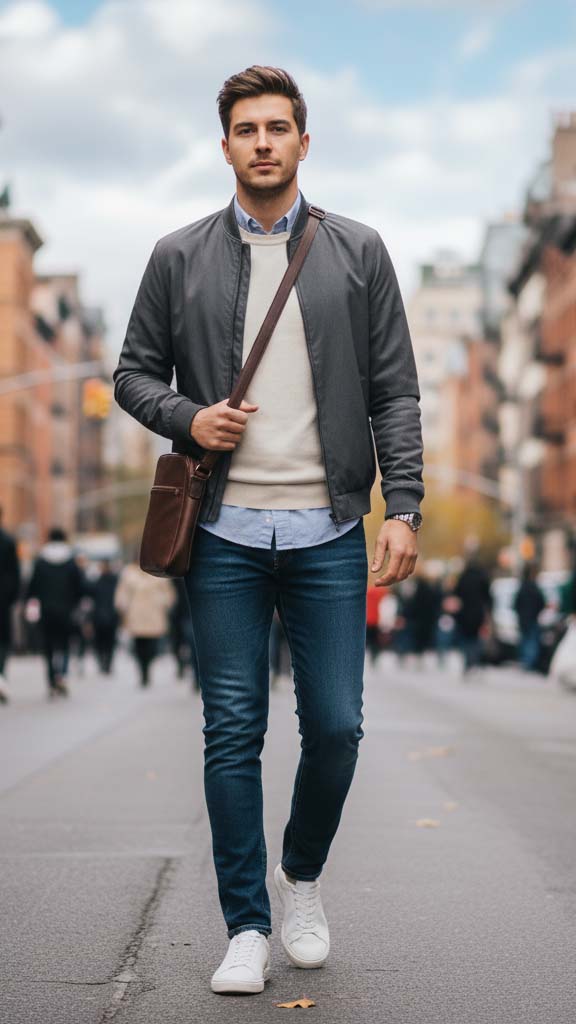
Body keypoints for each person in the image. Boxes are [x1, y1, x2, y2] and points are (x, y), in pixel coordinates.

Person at [113, 65, 424, 995]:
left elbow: (395, 390)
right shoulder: (179, 255)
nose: (261, 142)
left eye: (277, 127)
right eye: (246, 129)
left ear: (302, 141)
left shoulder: (359, 251)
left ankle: (303, 874)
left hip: (329, 527)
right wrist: (187, 418)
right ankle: (247, 923)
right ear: (225, 146)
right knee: (231, 730)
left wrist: (401, 505)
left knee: (337, 727)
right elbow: (133, 372)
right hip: (226, 536)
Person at [26, 527, 85, 698]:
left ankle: (51, 679)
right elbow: (80, 587)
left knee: (48, 646)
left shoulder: (40, 561)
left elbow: (32, 587)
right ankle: (63, 675)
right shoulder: (71, 562)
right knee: (65, 644)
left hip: (46, 611)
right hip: (67, 611)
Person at [114, 561, 175, 687]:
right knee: (138, 647)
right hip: (136, 615)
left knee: (152, 647)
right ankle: (143, 672)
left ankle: (147, 669)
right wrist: (123, 609)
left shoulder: (159, 571)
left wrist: (163, 603)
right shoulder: (129, 574)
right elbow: (122, 594)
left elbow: (168, 594)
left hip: (154, 615)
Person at [453, 555, 493, 676]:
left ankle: (468, 662)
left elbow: (456, 594)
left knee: (465, 639)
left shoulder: (463, 577)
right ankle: (474, 662)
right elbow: (488, 597)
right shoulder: (482, 578)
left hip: (464, 613)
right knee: (476, 639)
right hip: (478, 613)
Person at [0, 507, 21, 704]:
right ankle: (0, 676)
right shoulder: (7, 541)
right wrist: (12, 597)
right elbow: (15, 574)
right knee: (2, 642)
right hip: (3, 600)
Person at [513, 562, 546, 672]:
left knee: (525, 640)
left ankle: (525, 661)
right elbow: (541, 602)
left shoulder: (522, 586)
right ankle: (529, 663)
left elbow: (516, 603)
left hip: (523, 619)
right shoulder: (534, 587)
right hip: (531, 618)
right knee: (531, 641)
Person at [91, 560, 120, 675]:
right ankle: (105, 664)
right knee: (106, 643)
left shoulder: (100, 581)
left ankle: (106, 664)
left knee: (105, 643)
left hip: (106, 616)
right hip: (104, 616)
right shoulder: (109, 581)